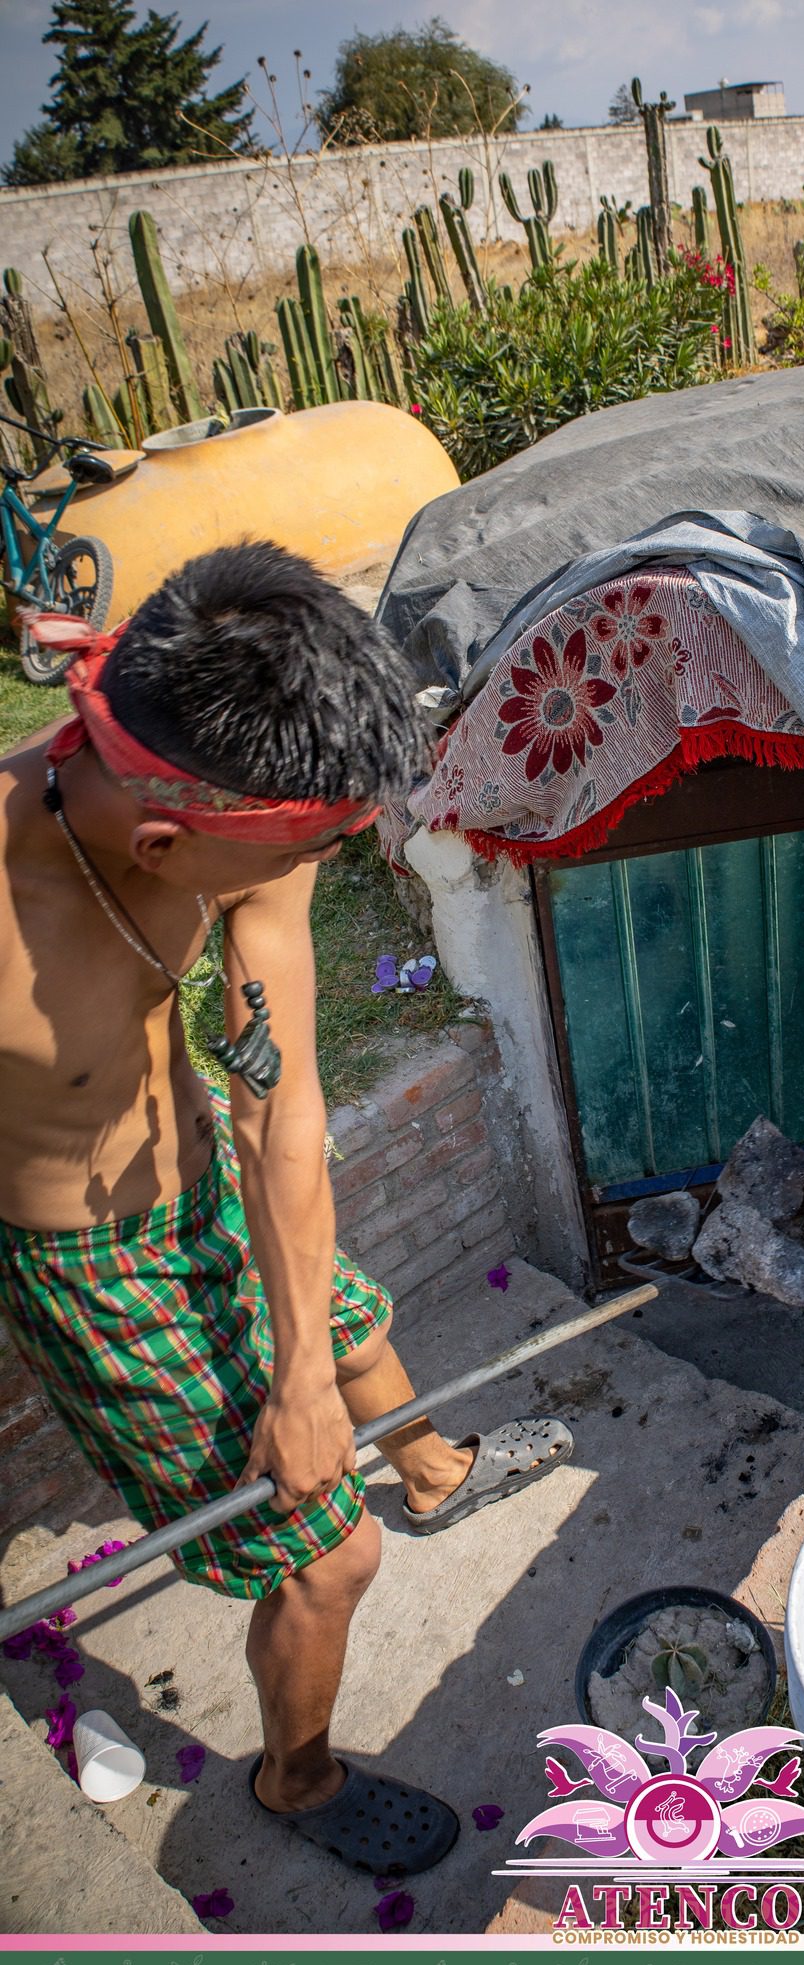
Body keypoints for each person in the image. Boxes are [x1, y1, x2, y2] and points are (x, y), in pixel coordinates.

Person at [0, 542, 573, 1878]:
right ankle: (298, 1777)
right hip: (96, 1269)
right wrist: (286, 1406)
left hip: (205, 1178)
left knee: (350, 1337)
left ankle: (431, 1471)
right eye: (320, 851)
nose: (330, 866)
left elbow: (283, 1107)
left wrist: (302, 1378)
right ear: (164, 842)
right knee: (329, 1560)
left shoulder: (243, 789)